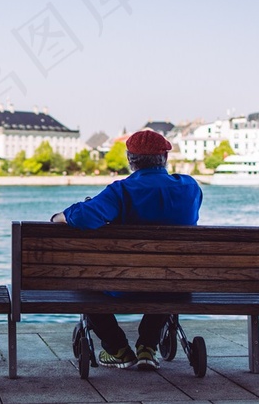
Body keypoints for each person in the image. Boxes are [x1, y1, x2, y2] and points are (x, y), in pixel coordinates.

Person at [50, 130, 203, 371]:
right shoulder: (189, 187)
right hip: (174, 283)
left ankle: (117, 349)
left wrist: (59, 216)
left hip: (124, 285)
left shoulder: (120, 191)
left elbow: (84, 217)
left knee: (84, 282)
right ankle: (147, 347)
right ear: (164, 157)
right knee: (167, 279)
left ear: (130, 160)